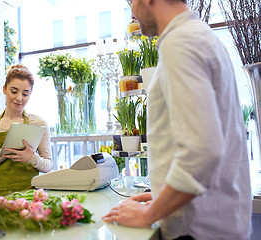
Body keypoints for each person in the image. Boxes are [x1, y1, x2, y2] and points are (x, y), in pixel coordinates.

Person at [103, 0, 252, 239]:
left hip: (197, 231)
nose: (132, 12)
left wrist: (148, 213)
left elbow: (201, 152)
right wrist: (164, 194)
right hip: (216, 221)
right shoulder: (201, 36)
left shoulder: (180, 43)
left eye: (133, 2)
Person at [0, 64, 53, 200]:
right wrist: (3, 153)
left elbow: (48, 165)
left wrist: (32, 158)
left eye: (25, 93)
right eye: (14, 91)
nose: (19, 98)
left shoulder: (39, 123)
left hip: (29, 198)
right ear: (4, 89)